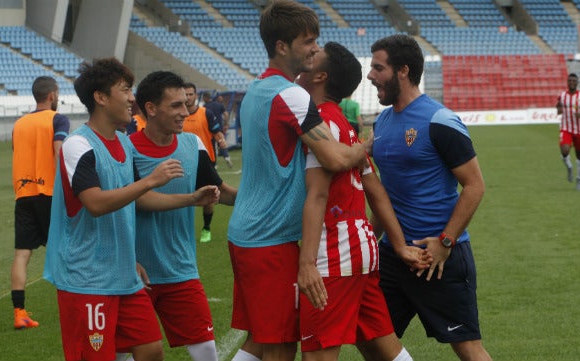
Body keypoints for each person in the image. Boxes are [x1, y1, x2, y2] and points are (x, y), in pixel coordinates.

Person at [43, 58, 218, 361]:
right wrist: (150, 181)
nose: (131, 99)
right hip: (88, 278)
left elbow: (132, 203)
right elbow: (96, 203)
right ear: (100, 98)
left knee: (151, 350)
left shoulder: (124, 145)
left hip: (125, 275)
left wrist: (190, 199)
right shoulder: (78, 145)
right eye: (125, 90)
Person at [226, 2, 366, 361]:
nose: (316, 49)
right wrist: (363, 146)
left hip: (248, 234)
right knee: (281, 347)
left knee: (260, 340)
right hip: (269, 239)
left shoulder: (258, 89)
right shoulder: (291, 95)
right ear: (282, 46)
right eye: (308, 41)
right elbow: (334, 158)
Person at [296, 41, 429, 361]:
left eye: (314, 59)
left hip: (334, 251)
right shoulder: (344, 126)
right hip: (362, 247)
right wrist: (397, 246)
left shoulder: (323, 125)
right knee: (382, 348)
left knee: (318, 353)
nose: (306, 61)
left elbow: (318, 194)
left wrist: (307, 263)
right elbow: (376, 191)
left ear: (320, 77)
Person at [365, 34, 492, 361]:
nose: (370, 75)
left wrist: (445, 242)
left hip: (439, 258)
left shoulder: (440, 120)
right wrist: (369, 243)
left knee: (466, 347)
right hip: (393, 257)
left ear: (403, 71)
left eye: (378, 68)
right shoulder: (382, 122)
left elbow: (475, 185)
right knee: (371, 338)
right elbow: (386, 196)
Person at [131, 71, 237, 361]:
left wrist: (262, 198)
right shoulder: (127, 149)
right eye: (176, 106)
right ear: (151, 109)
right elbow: (139, 200)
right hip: (133, 271)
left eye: (185, 104)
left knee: (206, 352)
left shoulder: (192, 145)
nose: (185, 111)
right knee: (125, 353)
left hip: (181, 269)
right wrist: (191, 199)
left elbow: (220, 190)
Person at [10, 76, 70, 329]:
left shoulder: (19, 123)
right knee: (65, 249)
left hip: (24, 195)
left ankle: (19, 312)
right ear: (52, 95)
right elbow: (59, 150)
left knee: (22, 254)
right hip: (50, 193)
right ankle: (74, 305)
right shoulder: (58, 119)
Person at [183, 82, 228, 242]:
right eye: (185, 94)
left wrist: (221, 141)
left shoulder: (206, 113)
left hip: (206, 162)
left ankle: (206, 227)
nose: (188, 97)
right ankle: (183, 231)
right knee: (182, 197)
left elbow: (217, 132)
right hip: (183, 162)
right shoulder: (176, 115)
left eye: (190, 94)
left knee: (209, 198)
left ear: (196, 95)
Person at [556, 73, 580, 191]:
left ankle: (579, 180)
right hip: (565, 128)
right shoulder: (562, 95)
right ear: (567, 82)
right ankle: (569, 167)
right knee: (564, 150)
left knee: (579, 156)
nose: (572, 82)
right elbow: (558, 106)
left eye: (574, 81)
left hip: (579, 130)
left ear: (577, 83)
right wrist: (559, 109)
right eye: (570, 81)